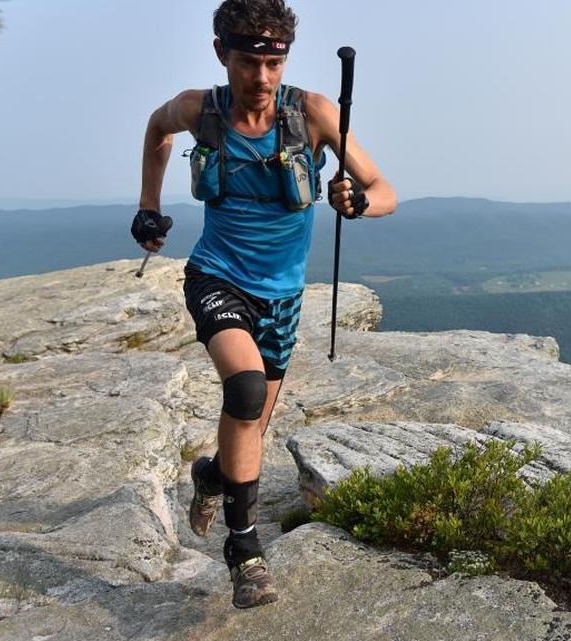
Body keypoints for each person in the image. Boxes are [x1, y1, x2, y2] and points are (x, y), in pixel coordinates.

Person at [131, 0, 396, 609]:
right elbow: (156, 128)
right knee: (245, 390)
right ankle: (244, 550)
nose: (262, 77)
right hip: (216, 276)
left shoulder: (315, 115)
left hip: (282, 297)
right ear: (222, 53)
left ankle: (210, 476)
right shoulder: (203, 110)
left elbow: (386, 191)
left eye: (273, 63)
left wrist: (356, 203)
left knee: (248, 431)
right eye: (249, 61)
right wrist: (148, 202)